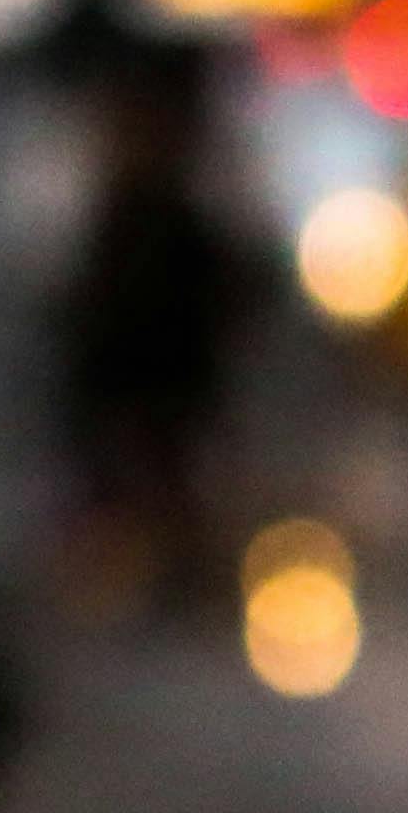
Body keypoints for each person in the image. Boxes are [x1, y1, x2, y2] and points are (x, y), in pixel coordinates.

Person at [52, 43, 253, 621]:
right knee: (126, 485)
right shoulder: (112, 219)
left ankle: (170, 581)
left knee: (164, 482)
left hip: (165, 380)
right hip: (127, 380)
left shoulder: (176, 221)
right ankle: (136, 580)